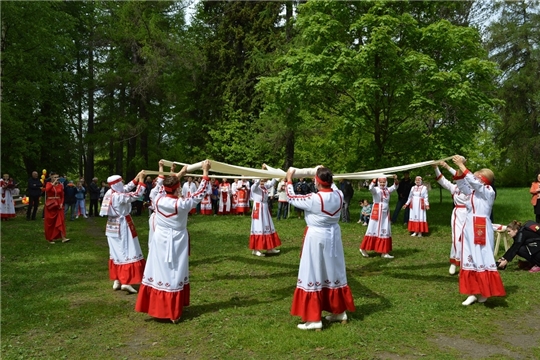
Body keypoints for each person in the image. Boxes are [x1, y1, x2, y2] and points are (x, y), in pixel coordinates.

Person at [135, 160, 211, 323]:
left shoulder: (156, 199)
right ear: (177, 188)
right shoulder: (182, 203)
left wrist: (179, 175)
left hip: (159, 239)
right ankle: (172, 312)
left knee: (158, 271)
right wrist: (205, 172)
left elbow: (160, 187)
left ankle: (157, 307)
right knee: (174, 272)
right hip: (176, 240)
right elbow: (200, 194)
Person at [286, 166, 355, 331]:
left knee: (312, 271)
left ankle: (314, 318)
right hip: (334, 237)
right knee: (334, 271)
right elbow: (334, 186)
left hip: (316, 238)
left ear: (317, 182)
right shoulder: (339, 194)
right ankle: (339, 312)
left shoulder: (313, 199)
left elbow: (291, 197)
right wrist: (320, 169)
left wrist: (289, 179)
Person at [452, 155, 505, 305]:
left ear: (483, 178)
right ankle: (473, 292)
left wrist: (463, 166)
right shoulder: (473, 192)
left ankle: (485, 291)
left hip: (481, 227)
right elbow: (461, 182)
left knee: (481, 257)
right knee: (469, 258)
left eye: (476, 177)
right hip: (469, 226)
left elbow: (474, 182)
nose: (473, 178)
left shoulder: (488, 191)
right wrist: (459, 166)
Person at [100, 170, 147, 294]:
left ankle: (117, 280)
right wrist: (141, 182)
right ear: (117, 184)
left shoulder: (111, 192)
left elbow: (126, 188)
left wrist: (136, 178)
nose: (123, 184)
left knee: (115, 251)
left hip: (111, 226)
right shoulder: (119, 196)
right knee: (126, 251)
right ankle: (126, 281)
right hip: (122, 225)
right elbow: (136, 195)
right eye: (121, 182)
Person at [433, 161, 470, 275]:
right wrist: (436, 168)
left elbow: (464, 175)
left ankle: (465, 265)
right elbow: (441, 180)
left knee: (467, 240)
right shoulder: (454, 188)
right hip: (457, 214)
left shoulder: (471, 186)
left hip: (469, 213)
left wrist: (447, 166)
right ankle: (454, 262)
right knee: (456, 239)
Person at [359, 176, 399, 258]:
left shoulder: (387, 190)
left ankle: (384, 252)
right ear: (378, 182)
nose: (382, 184)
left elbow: (395, 186)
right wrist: (373, 180)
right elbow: (370, 188)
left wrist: (395, 179)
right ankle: (363, 248)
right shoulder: (376, 189)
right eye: (381, 182)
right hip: (377, 211)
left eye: (384, 182)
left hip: (385, 212)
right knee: (372, 229)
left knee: (384, 229)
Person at [249, 171, 281, 257]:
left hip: (265, 208)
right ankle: (256, 249)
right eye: (261, 181)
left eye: (263, 181)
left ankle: (270, 248)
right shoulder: (254, 188)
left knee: (268, 226)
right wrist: (260, 176)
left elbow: (272, 182)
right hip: (258, 209)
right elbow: (256, 184)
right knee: (258, 227)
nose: (263, 182)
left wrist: (277, 173)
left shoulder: (265, 187)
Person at [43, 172, 70, 243]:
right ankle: (50, 238)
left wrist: (61, 203)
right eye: (54, 177)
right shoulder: (48, 184)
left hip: (58, 204)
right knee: (50, 222)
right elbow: (47, 190)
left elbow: (62, 195)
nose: (56, 179)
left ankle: (63, 237)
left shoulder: (60, 186)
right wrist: (53, 183)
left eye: (57, 177)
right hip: (51, 205)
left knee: (60, 220)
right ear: (51, 178)